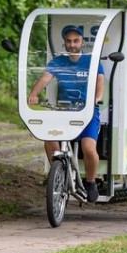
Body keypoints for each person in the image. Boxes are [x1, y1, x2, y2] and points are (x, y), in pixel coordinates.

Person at [28, 25, 105, 202]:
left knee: (88, 148)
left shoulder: (91, 60)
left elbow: (100, 80)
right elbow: (45, 78)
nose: (72, 44)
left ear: (82, 42)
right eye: (69, 41)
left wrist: (97, 97)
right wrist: (33, 94)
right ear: (65, 43)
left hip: (87, 111)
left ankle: (91, 181)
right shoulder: (59, 61)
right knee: (49, 139)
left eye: (76, 40)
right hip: (63, 110)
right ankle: (59, 173)